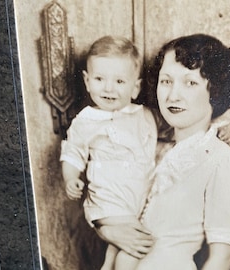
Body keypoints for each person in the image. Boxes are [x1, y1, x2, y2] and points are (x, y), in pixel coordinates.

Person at [97, 33, 230, 270]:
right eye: (166, 81)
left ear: (215, 91)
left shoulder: (226, 163)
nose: (173, 95)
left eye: (190, 83)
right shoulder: (151, 150)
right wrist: (108, 230)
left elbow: (221, 260)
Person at [60, 35, 157, 270]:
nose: (108, 88)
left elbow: (168, 138)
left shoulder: (144, 115)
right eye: (100, 78)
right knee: (135, 245)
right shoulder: (85, 121)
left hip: (140, 199)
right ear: (87, 81)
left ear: (135, 87)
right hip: (108, 200)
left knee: (121, 253)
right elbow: (73, 152)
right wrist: (71, 177)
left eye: (120, 81)